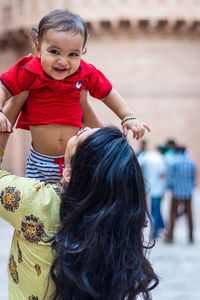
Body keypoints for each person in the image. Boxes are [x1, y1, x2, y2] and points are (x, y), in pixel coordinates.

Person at [0, 97, 158, 300]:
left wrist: (12, 106)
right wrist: (80, 98)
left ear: (69, 174)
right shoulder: (117, 224)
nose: (83, 127)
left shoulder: (36, 203)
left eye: (82, 134)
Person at [0, 9, 150, 184]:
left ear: (81, 53)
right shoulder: (28, 70)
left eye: (73, 54)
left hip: (74, 161)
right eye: (54, 52)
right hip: (39, 162)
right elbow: (3, 86)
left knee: (73, 206)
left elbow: (108, 93)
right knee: (37, 206)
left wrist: (127, 116)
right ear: (38, 49)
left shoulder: (84, 72)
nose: (63, 61)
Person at [165, 146, 196, 243]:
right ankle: (191, 237)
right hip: (188, 192)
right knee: (189, 214)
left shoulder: (174, 162)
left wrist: (169, 188)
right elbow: (193, 178)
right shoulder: (191, 162)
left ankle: (170, 236)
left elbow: (170, 178)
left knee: (173, 213)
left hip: (176, 192)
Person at [138, 144, 166, 238]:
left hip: (146, 188)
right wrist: (163, 190)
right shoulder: (159, 159)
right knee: (156, 210)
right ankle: (155, 231)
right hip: (157, 189)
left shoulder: (144, 157)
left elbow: (139, 171)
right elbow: (162, 175)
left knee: (150, 211)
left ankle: (156, 229)